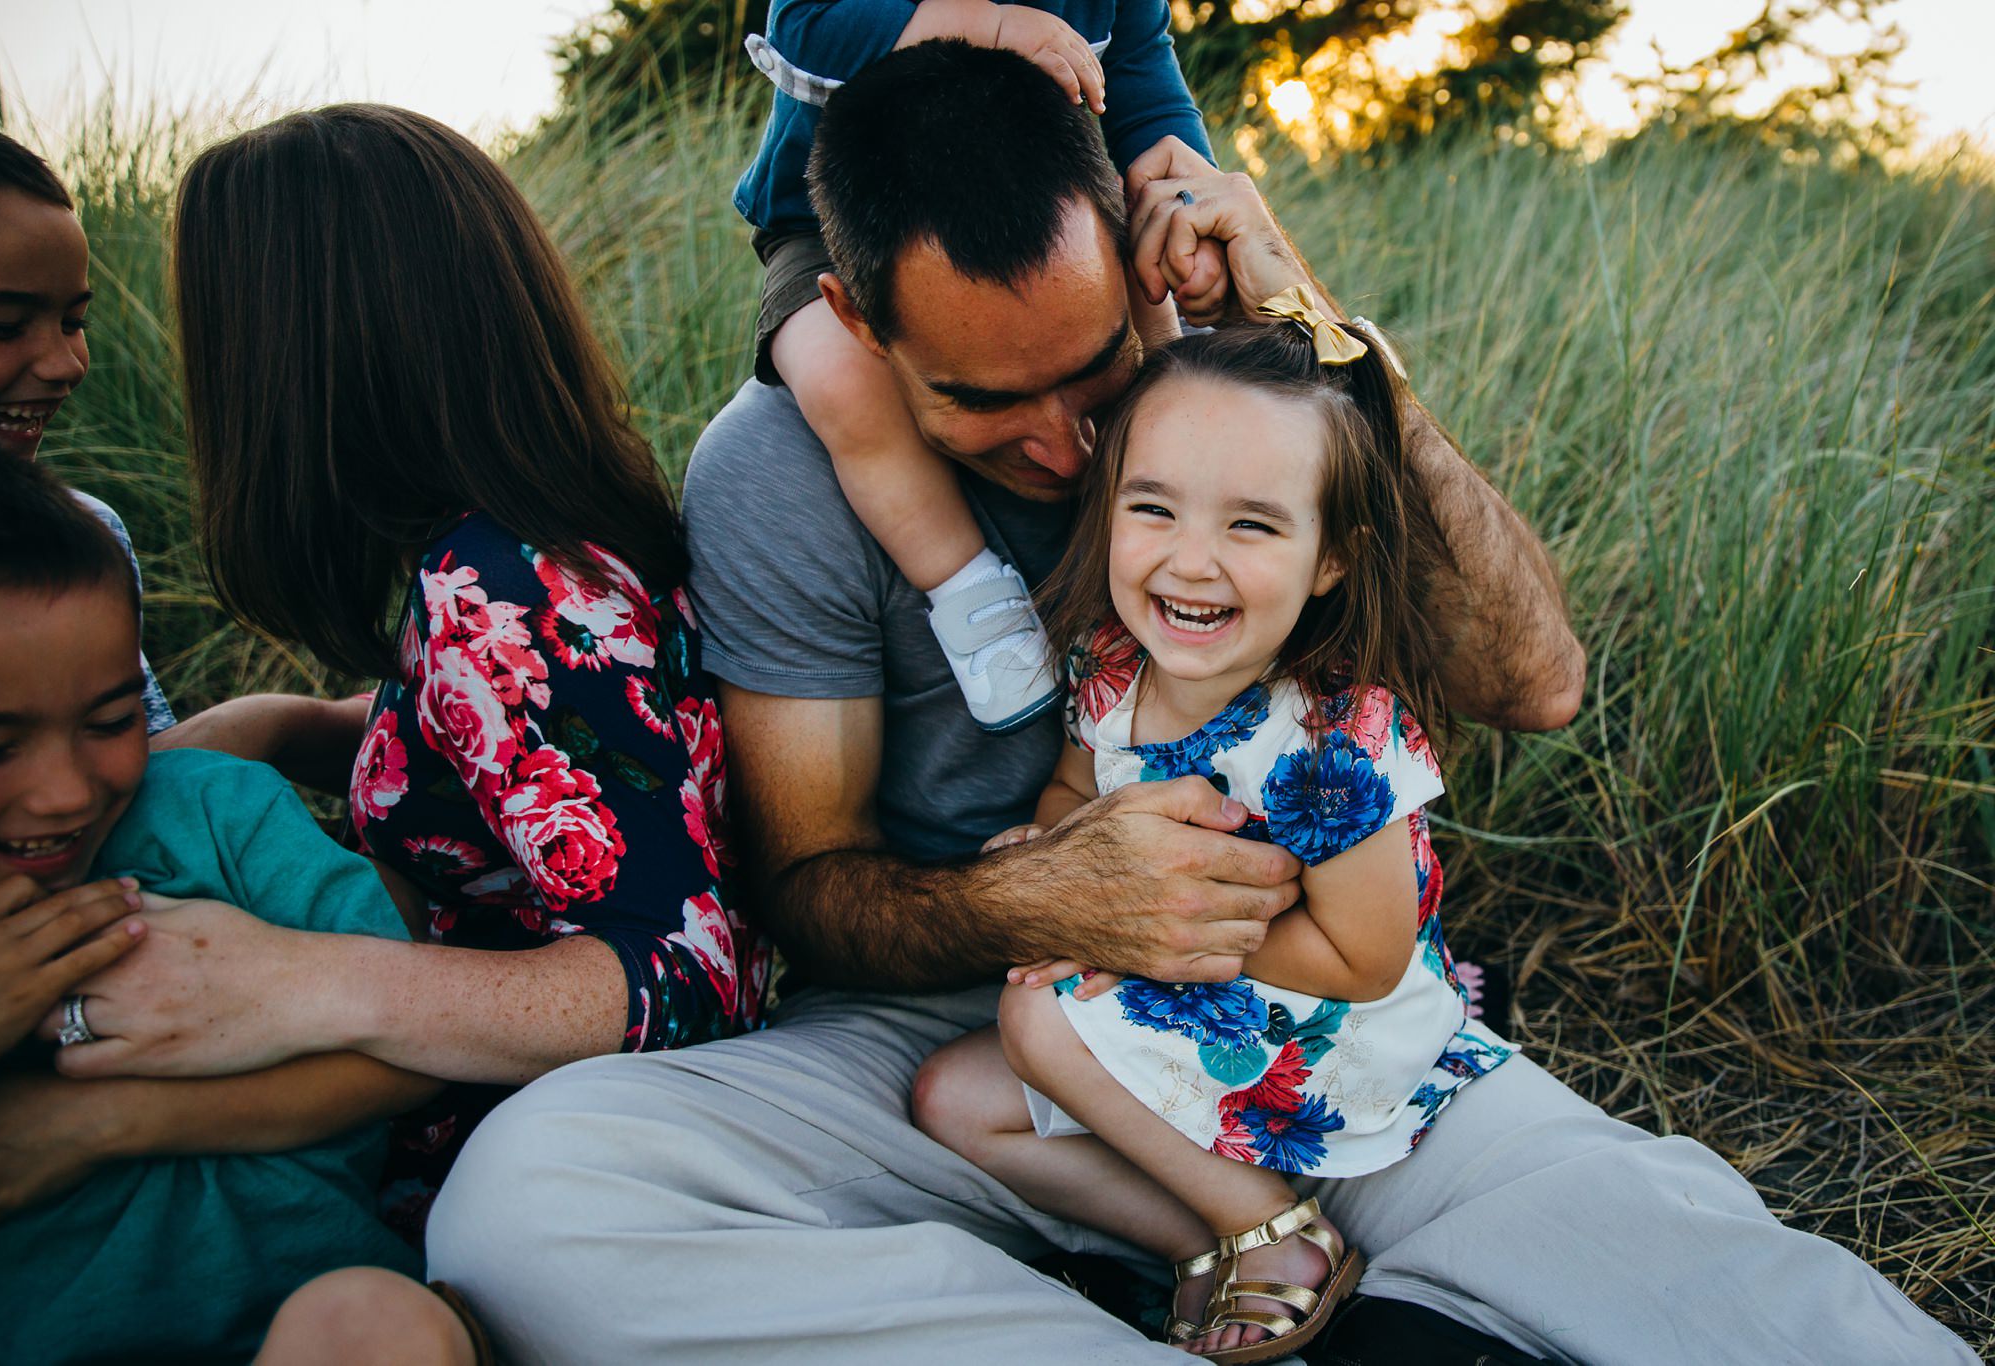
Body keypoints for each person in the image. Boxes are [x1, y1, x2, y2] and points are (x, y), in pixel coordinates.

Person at [421, 43, 1973, 1365]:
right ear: (855, 318)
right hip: (947, 1035)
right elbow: (810, 889)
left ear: (1121, 235)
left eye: (1090, 372)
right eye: (980, 399)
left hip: (1300, 1018)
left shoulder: (1241, 387)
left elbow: (1534, 680)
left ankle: (1328, 1268)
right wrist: (1049, 894)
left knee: (1721, 1285)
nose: (1059, 447)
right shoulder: (772, 472)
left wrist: (1330, 342)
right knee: (530, 1200)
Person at [11, 106, 764, 1355]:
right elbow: (530, 746)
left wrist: (287, 986)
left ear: (299, 353)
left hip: (489, 1178)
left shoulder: (503, 589)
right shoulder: (506, 554)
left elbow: (689, 977)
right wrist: (293, 726)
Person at [914, 309, 1519, 1363]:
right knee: (953, 1101)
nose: (1189, 563)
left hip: (1323, 1026)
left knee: (1038, 1026)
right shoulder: (1110, 666)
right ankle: (1203, 1232)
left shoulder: (1335, 739)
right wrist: (1049, 856)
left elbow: (1365, 958)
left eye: (1249, 525)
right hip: (1191, 992)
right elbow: (1073, 786)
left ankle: (1272, 1232)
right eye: (1153, 508)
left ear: (1330, 556)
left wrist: (1143, 928)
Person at [0, 441, 466, 1364]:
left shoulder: (213, 814)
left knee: (381, 1323)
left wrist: (108, 1125)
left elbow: (417, 1048)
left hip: (296, 1318)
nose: (66, 792)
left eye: (110, 722)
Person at [738, 1, 1222, 732]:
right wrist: (989, 27)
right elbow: (807, 26)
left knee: (1157, 321)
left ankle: (1195, 516)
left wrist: (1185, 194)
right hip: (824, 228)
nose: (1061, 452)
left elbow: (1143, 73)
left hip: (1040, 209)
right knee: (844, 386)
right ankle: (970, 594)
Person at [0, 111, 174, 735]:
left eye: (75, 321)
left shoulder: (84, 535)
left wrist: (279, 723)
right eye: (3, 326)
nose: (65, 362)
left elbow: (146, 774)